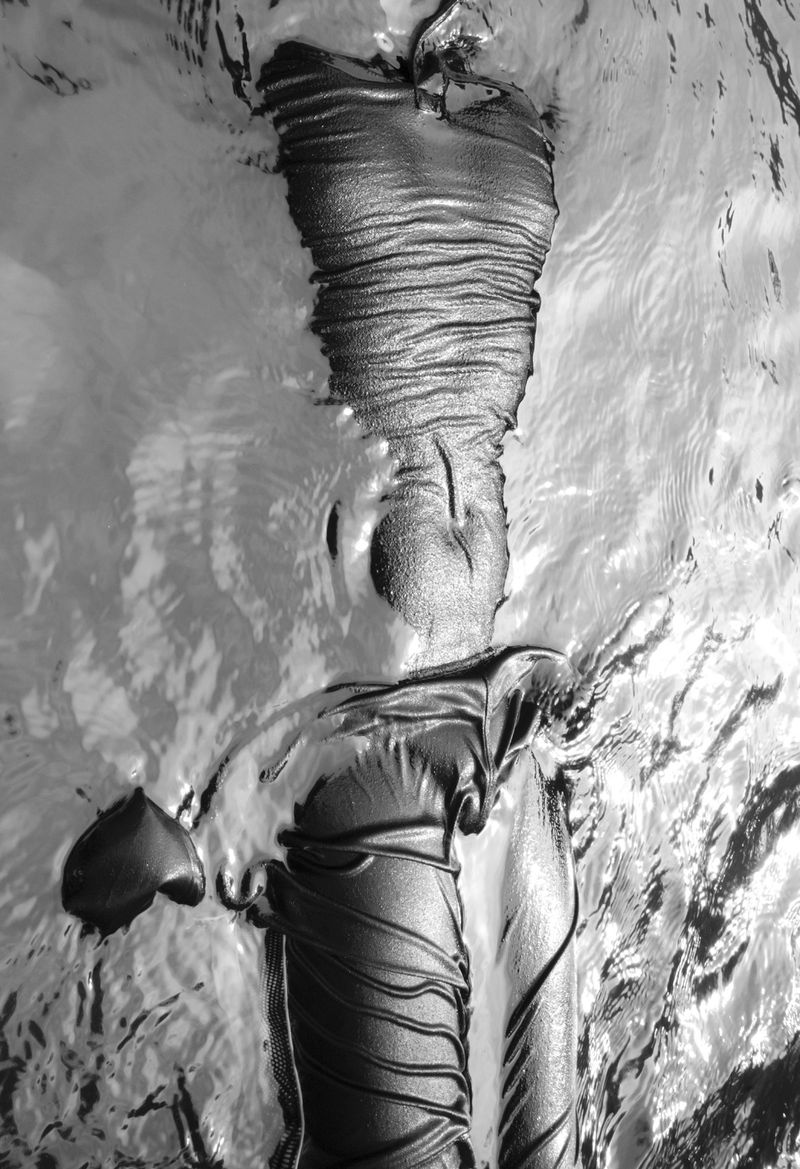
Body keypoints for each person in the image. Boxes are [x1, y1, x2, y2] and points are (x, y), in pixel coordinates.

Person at [63, 4, 578, 1166]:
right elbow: (140, 849)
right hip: (379, 707)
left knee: (439, 453)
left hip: (492, 705)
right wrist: (147, 871)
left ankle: (458, 122)